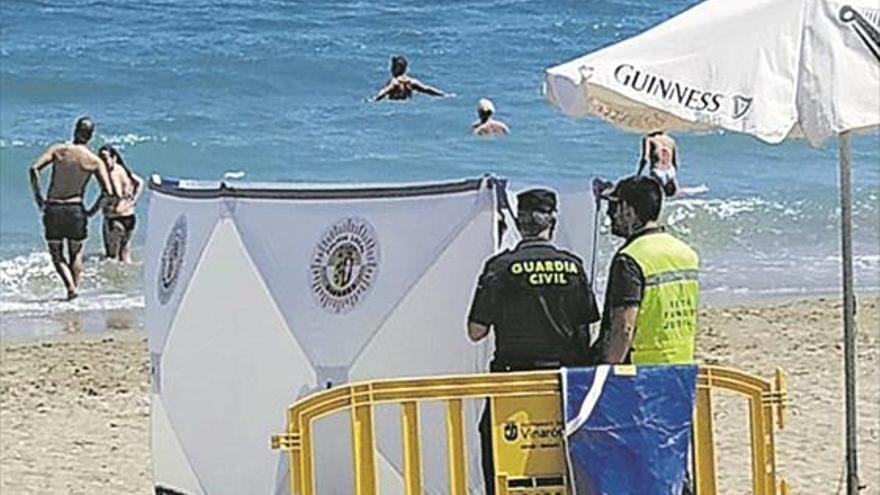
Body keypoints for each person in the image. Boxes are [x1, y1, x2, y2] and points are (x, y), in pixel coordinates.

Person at [467, 188, 600, 494]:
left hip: (513, 379)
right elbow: (586, 326)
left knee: (499, 448)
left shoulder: (500, 267)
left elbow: (476, 331)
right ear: (552, 220)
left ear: (519, 222)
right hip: (563, 381)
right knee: (560, 454)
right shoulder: (572, 265)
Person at [596, 175, 700, 366]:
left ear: (628, 210)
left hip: (641, 369)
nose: (609, 214)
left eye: (613, 207)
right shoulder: (687, 254)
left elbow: (624, 327)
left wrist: (609, 370)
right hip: (681, 364)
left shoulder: (630, 259)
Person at [28, 116, 114, 300]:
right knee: (76, 254)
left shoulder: (59, 150)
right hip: (76, 209)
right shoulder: (94, 160)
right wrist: (92, 210)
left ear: (75, 130)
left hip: (54, 207)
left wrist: (38, 197)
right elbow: (109, 191)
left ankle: (70, 288)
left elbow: (34, 169)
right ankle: (73, 291)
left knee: (56, 254)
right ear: (91, 136)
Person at [87, 145, 144, 263]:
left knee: (111, 257)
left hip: (115, 219)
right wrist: (133, 200)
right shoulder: (123, 169)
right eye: (100, 158)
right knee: (125, 253)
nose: (102, 161)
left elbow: (114, 194)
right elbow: (140, 182)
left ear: (114, 158)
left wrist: (91, 212)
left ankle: (113, 280)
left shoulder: (110, 174)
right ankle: (128, 279)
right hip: (130, 217)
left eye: (104, 158)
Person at [372, 55, 451, 101]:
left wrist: (373, 100)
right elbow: (427, 89)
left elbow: (384, 91)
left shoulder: (395, 82)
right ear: (406, 69)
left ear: (393, 69)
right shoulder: (411, 82)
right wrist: (445, 95)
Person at [636, 131, 679, 197]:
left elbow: (645, 159)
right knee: (672, 197)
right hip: (670, 170)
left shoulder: (649, 139)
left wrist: (638, 174)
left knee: (657, 197)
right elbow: (675, 161)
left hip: (657, 171)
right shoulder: (671, 140)